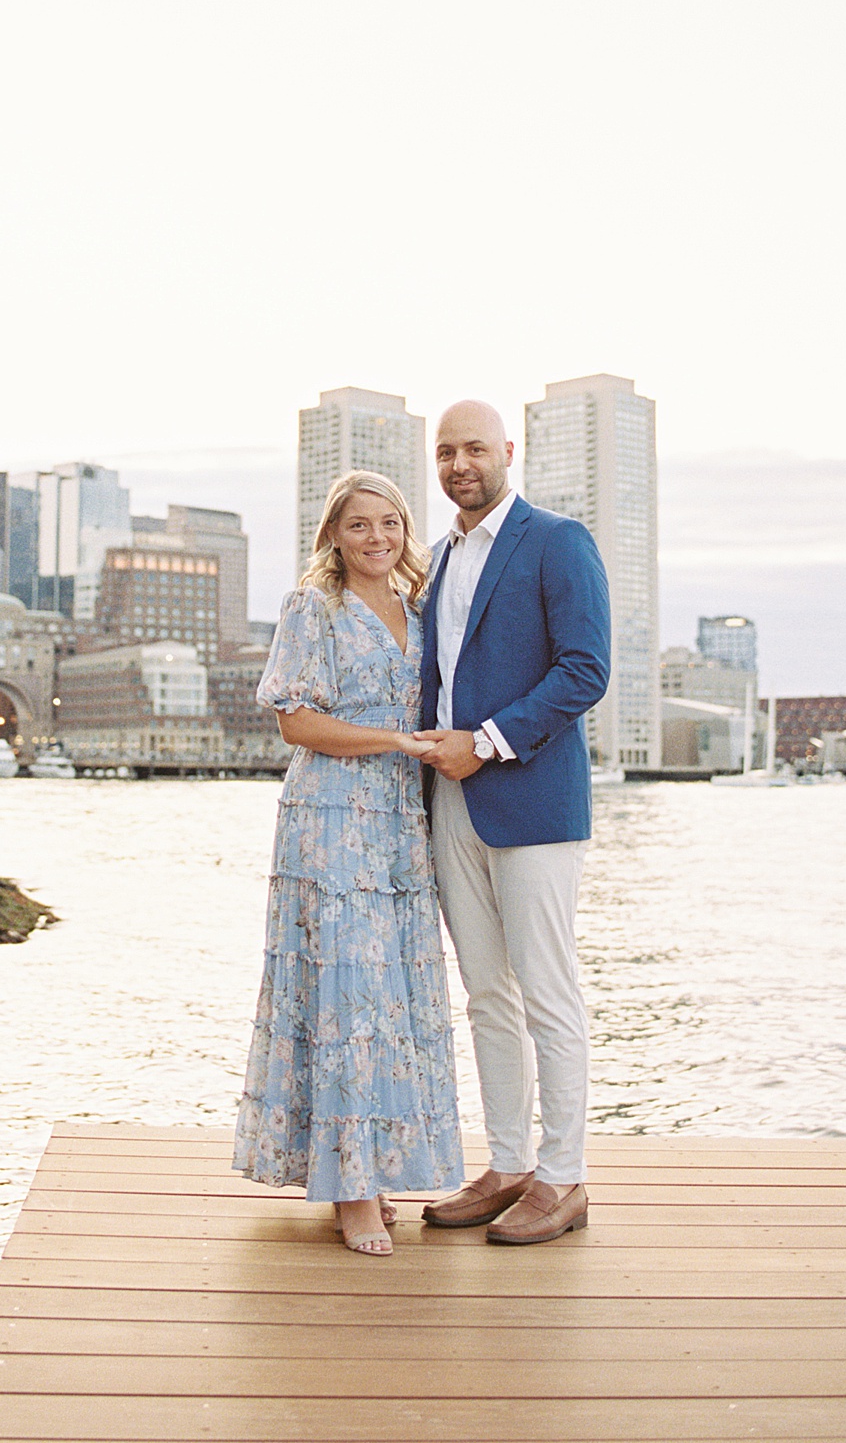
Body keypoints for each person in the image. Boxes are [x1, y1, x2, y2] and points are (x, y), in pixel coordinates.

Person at [232, 470, 464, 1256]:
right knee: (345, 993)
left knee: (390, 994)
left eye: (390, 524)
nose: (377, 539)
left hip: (400, 820)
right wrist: (396, 741)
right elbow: (296, 723)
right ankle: (352, 1191)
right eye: (359, 526)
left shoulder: (421, 608)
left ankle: (372, 1167)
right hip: (330, 817)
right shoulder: (313, 607)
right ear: (334, 533)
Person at [414, 399, 611, 1245]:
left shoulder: (556, 540)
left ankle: (563, 1179)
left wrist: (485, 745)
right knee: (485, 993)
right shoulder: (439, 557)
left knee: (547, 993)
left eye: (475, 448)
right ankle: (507, 1164)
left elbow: (585, 669)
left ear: (508, 451)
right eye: (446, 451)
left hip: (528, 797)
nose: (460, 463)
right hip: (449, 799)